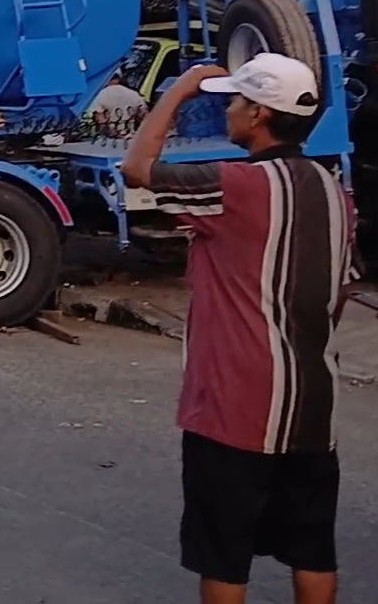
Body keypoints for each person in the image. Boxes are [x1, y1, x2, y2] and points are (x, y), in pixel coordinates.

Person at [121, 54, 361, 604]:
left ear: (257, 114)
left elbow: (137, 169)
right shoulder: (334, 193)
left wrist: (180, 90)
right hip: (312, 406)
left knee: (225, 555)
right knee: (312, 549)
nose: (226, 109)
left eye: (233, 100)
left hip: (234, 407)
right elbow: (340, 294)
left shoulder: (234, 185)